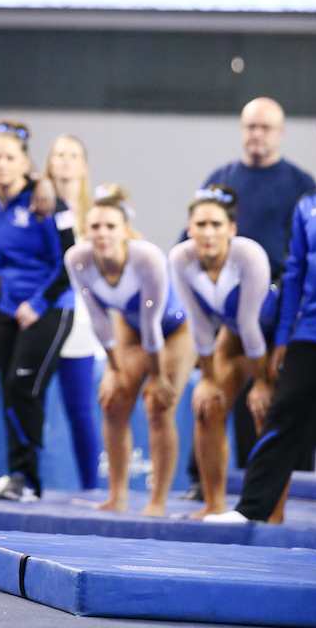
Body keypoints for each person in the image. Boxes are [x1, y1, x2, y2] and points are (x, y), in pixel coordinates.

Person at [207, 119, 316, 524]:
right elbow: (293, 275)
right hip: (311, 332)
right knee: (283, 413)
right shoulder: (310, 205)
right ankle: (251, 509)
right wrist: (282, 341)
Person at [194, 96, 315, 472]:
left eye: (265, 128)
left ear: (280, 133)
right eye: (250, 127)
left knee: (280, 397)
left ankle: (287, 481)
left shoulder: (301, 183)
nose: (257, 135)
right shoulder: (220, 179)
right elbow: (196, 242)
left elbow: (309, 253)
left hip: (282, 305)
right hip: (229, 305)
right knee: (217, 395)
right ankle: (210, 481)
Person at [66, 191, 194, 517]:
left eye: (110, 225)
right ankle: (117, 496)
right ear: (86, 229)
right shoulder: (77, 259)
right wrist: (114, 368)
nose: (102, 233)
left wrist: (157, 377)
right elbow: (98, 318)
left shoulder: (147, 258)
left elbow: (153, 324)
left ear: (125, 230)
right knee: (112, 400)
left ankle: (158, 501)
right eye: (95, 226)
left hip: (175, 330)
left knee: (158, 404)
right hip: (130, 325)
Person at [0, 121, 76, 502]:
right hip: (7, 307)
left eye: (9, 157)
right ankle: (18, 476)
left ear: (25, 162)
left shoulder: (47, 201)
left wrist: (37, 303)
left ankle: (28, 480)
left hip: (49, 307)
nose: (0, 164)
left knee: (23, 388)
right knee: (10, 389)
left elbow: (70, 263)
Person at [169, 185, 280, 519]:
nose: (207, 232)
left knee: (267, 413)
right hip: (233, 336)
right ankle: (214, 504)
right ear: (189, 229)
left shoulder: (249, 254)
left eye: (216, 224)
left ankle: (274, 512)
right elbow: (200, 325)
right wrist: (207, 379)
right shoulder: (180, 258)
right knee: (208, 406)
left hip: (273, 338)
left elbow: (250, 324)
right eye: (200, 224)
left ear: (232, 230)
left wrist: (262, 382)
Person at [45, 135, 101, 490]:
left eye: (72, 155)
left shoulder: (98, 216)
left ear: (83, 165)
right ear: (48, 164)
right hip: (41, 317)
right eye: (59, 155)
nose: (65, 161)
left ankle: (92, 488)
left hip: (81, 325)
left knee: (81, 411)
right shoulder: (35, 208)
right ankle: (24, 481)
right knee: (27, 404)